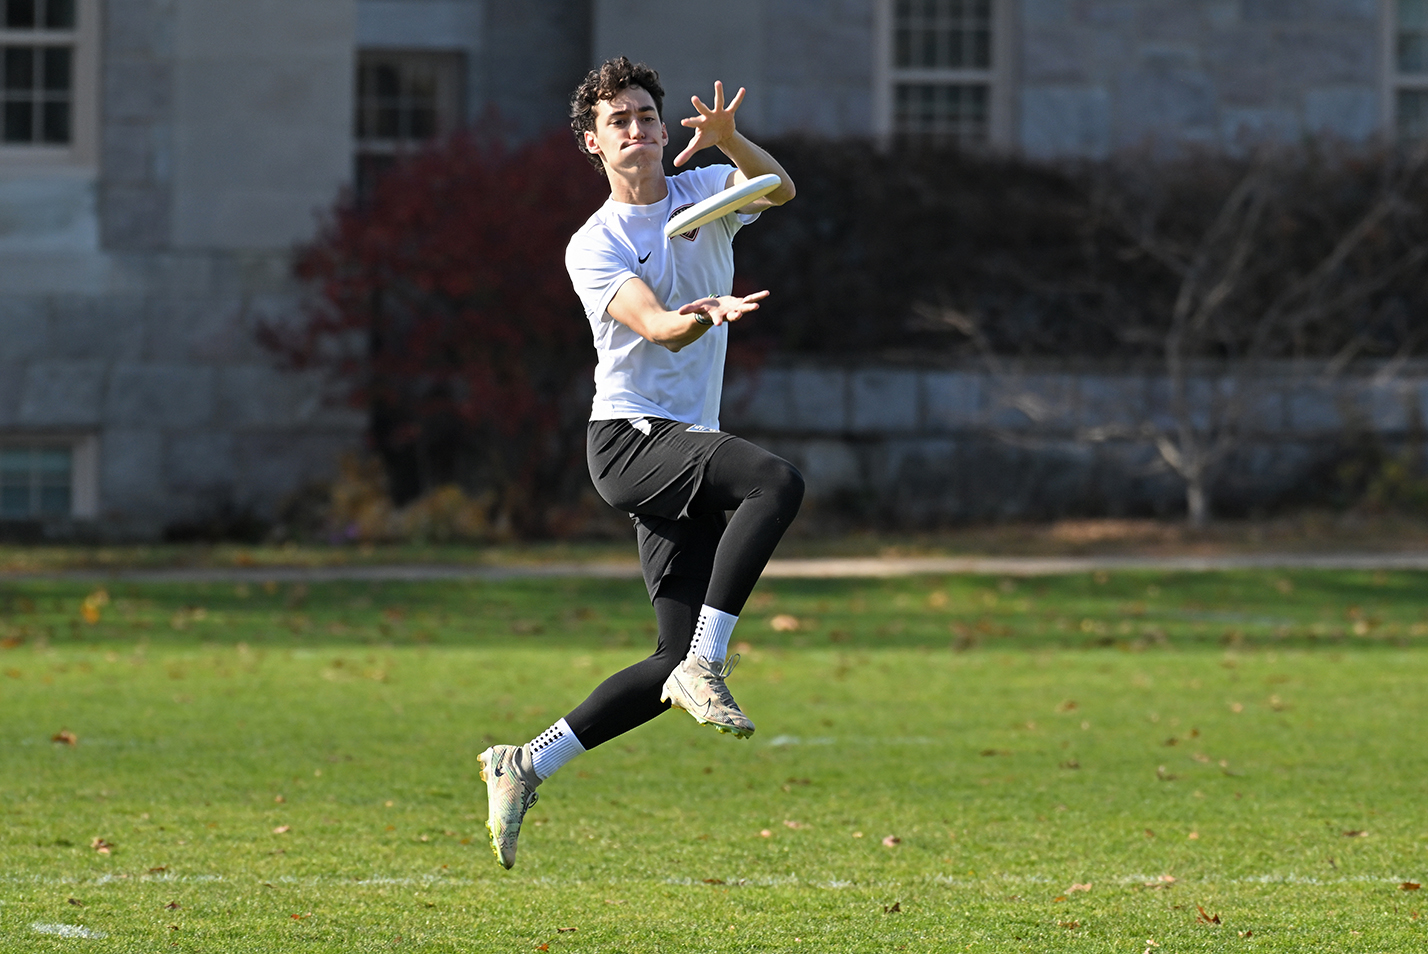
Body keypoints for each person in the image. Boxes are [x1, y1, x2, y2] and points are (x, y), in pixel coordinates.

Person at [478, 56, 804, 870]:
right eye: (618, 120)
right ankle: (709, 662)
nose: (638, 129)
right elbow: (656, 327)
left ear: (666, 131)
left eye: (648, 117)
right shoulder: (594, 244)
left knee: (663, 664)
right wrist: (701, 314)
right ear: (593, 142)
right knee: (774, 481)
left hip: (681, 439)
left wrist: (734, 142)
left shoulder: (704, 194)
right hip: (631, 441)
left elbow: (780, 191)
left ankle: (524, 761)